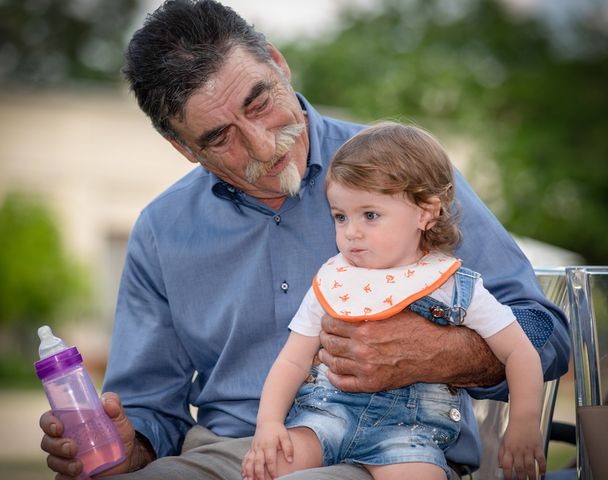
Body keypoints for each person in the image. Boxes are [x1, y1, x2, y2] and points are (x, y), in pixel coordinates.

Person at [38, 1, 569, 479]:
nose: (264, 144)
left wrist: (437, 354)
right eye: (221, 137)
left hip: (391, 455)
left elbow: (545, 331)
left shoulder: (404, 172)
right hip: (227, 454)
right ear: (183, 148)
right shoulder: (160, 230)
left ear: (278, 64)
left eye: (259, 101)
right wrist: (127, 446)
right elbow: (150, 412)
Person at [241, 122, 546, 480]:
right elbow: (293, 359)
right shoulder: (335, 279)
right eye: (340, 216)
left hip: (408, 435)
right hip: (326, 418)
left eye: (370, 215)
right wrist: (269, 423)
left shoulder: (453, 285)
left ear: (425, 213)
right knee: (267, 468)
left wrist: (524, 422)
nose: (351, 232)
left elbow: (520, 352)